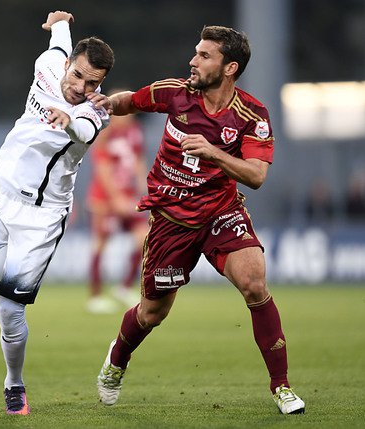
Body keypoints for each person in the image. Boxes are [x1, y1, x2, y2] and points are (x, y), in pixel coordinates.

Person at [94, 25, 306, 415]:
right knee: (151, 313)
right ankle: (117, 360)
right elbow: (130, 102)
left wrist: (214, 154)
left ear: (230, 68)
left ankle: (282, 386)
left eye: (204, 56)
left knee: (255, 283)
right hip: (171, 218)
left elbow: (257, 176)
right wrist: (104, 104)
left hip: (221, 211)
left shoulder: (251, 114)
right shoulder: (174, 92)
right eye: (196, 52)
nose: (193, 60)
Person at [0, 11, 114, 415]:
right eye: (78, 76)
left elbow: (87, 131)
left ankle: (14, 384)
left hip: (43, 216)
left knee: (11, 310)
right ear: (69, 63)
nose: (82, 87)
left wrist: (70, 119)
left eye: (93, 82)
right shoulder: (49, 63)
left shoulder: (95, 111)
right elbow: (58, 36)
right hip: (0, 194)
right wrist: (59, 19)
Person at [86, 97, 148, 313]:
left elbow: (138, 159)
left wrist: (143, 185)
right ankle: (95, 296)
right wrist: (115, 199)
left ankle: (124, 287)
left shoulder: (135, 130)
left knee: (143, 237)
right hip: (105, 198)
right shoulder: (104, 133)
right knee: (101, 242)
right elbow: (102, 168)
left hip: (128, 195)